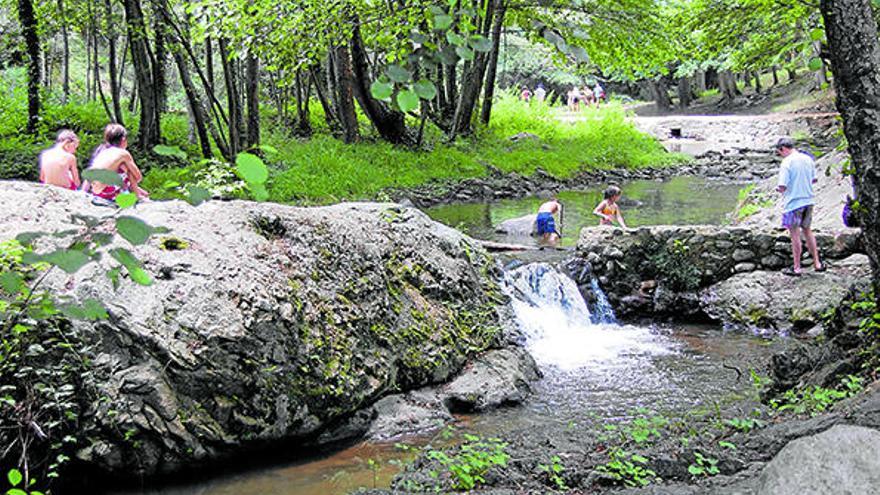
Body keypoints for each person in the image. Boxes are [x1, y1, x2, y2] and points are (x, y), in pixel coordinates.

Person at [775, 137, 824, 276]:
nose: (780, 155)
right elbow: (814, 179)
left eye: (779, 153)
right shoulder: (808, 159)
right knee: (808, 231)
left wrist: (779, 189)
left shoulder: (787, 162)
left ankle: (796, 267)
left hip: (793, 203)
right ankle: (817, 263)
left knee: (795, 235)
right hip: (808, 200)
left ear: (783, 149)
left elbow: (782, 186)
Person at [85, 124, 149, 202]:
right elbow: (138, 177)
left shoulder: (102, 152)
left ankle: (134, 195)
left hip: (97, 193)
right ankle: (137, 196)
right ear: (123, 139)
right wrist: (135, 187)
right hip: (109, 193)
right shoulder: (123, 153)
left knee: (120, 169)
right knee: (128, 168)